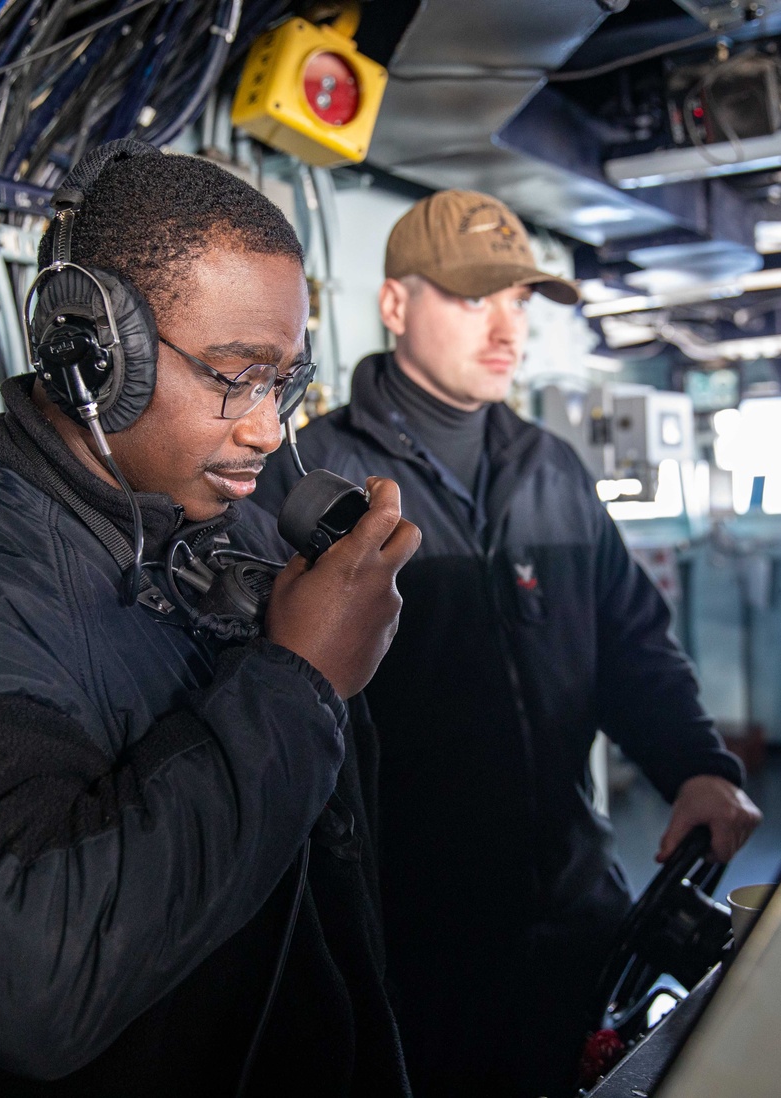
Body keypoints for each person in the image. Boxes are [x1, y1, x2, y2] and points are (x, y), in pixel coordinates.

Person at [0, 141, 422, 1098]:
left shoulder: (217, 533)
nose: (266, 428)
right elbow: (30, 980)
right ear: (93, 350)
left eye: (283, 381)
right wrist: (297, 684)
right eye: (234, 375)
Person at [253, 188, 763, 1098]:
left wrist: (695, 761)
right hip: (408, 945)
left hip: (573, 914)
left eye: (520, 302)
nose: (506, 327)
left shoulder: (551, 467)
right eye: (473, 297)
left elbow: (631, 642)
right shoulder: (314, 484)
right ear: (397, 304)